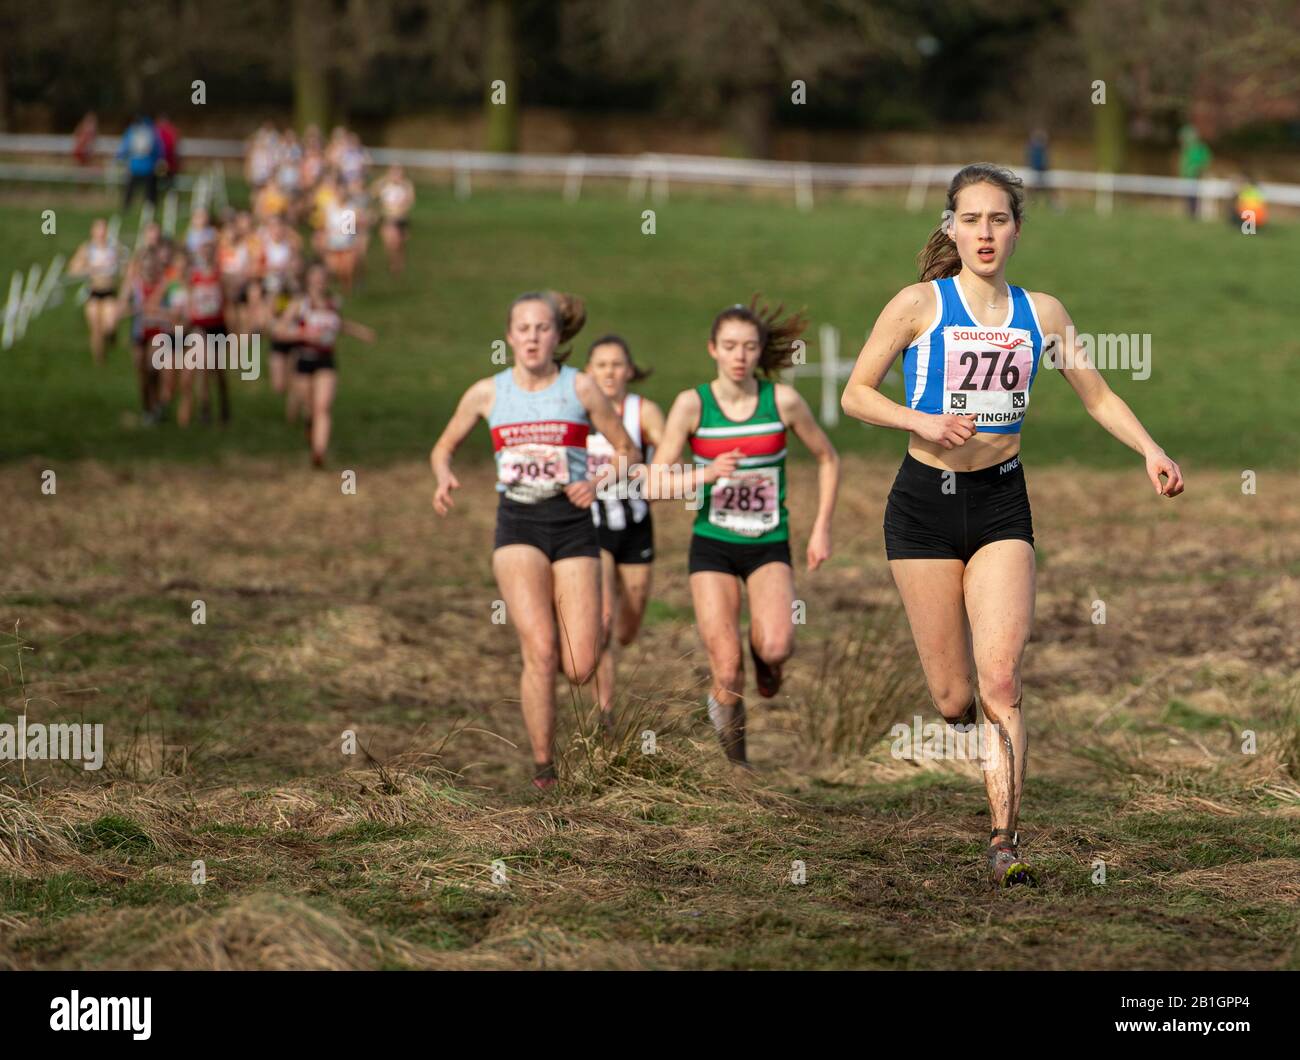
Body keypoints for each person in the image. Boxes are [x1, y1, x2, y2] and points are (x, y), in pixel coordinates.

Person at [840, 162, 1184, 889]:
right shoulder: (917, 305)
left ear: (1017, 229)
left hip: (1001, 504)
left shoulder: (1043, 313)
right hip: (921, 508)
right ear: (951, 227)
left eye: (999, 219)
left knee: (1002, 678)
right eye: (971, 219)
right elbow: (854, 393)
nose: (986, 232)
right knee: (954, 698)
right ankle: (972, 735)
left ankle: (1003, 839)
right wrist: (921, 418)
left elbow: (1096, 394)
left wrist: (1150, 449)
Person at [430, 292, 668, 789]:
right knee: (539, 650)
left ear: (557, 337)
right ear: (509, 337)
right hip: (517, 526)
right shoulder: (487, 394)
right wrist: (443, 475)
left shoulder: (579, 388)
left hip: (575, 524)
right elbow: (443, 447)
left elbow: (626, 450)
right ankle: (544, 768)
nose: (533, 337)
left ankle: (576, 707)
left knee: (580, 665)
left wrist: (598, 481)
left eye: (543, 328)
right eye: (524, 328)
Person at [652, 300, 840, 768]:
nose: (739, 355)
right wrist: (705, 474)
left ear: (760, 353)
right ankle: (739, 767)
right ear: (713, 349)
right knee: (726, 667)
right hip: (713, 545)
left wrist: (820, 529)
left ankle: (767, 659)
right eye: (730, 346)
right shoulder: (692, 405)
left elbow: (827, 458)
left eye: (749, 347)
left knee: (777, 644)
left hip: (768, 543)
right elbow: (654, 481)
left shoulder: (783, 402)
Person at [583, 335, 666, 730]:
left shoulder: (643, 411)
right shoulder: (576, 413)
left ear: (629, 371)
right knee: (602, 616)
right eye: (601, 365)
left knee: (628, 626)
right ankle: (606, 712)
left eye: (617, 365)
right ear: (587, 373)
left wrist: (657, 476)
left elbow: (670, 456)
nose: (610, 373)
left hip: (635, 525)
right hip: (590, 527)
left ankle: (611, 645)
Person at [272, 262, 374, 467]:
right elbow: (279, 330)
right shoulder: (300, 304)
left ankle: (319, 452)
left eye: (323, 276)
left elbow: (339, 324)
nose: (319, 280)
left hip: (326, 360)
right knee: (310, 407)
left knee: (323, 407)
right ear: (308, 279)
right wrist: (303, 334)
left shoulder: (333, 302)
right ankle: (310, 428)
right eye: (315, 276)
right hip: (304, 360)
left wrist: (361, 332)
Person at [68, 219, 123, 365]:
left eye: (103, 229)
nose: (101, 233)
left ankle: (111, 338)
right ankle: (99, 360)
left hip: (110, 291)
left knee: (109, 325)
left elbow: (124, 265)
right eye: (98, 229)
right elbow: (73, 269)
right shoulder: (87, 249)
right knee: (95, 328)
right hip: (94, 292)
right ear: (93, 231)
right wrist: (88, 269)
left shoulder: (113, 247)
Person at [371, 165, 415, 275]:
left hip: (401, 219)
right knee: (390, 243)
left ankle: (398, 263)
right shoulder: (384, 186)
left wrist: (402, 208)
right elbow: (372, 192)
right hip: (387, 218)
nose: (397, 176)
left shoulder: (406, 186)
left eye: (399, 173)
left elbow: (410, 201)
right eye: (394, 173)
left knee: (399, 244)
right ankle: (393, 263)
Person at [118, 114, 163, 209]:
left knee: (130, 189)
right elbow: (158, 150)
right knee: (150, 191)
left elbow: (124, 148)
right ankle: (151, 207)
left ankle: (126, 207)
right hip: (149, 167)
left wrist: (120, 159)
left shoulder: (131, 131)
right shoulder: (152, 132)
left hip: (134, 166)